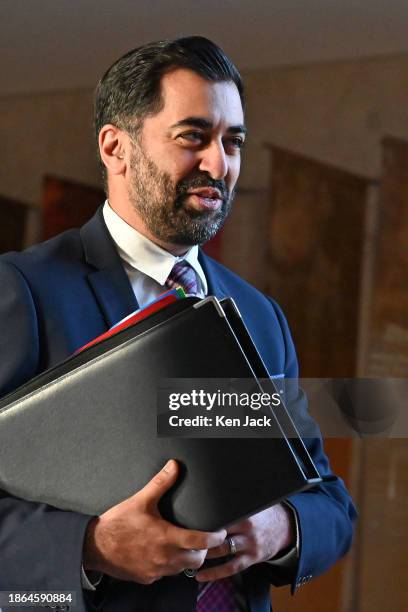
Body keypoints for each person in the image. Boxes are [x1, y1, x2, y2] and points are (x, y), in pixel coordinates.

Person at [0, 37, 357, 612]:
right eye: (194, 136)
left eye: (232, 142)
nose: (219, 164)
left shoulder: (261, 317)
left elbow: (329, 503)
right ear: (116, 147)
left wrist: (280, 528)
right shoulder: (22, 291)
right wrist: (90, 548)